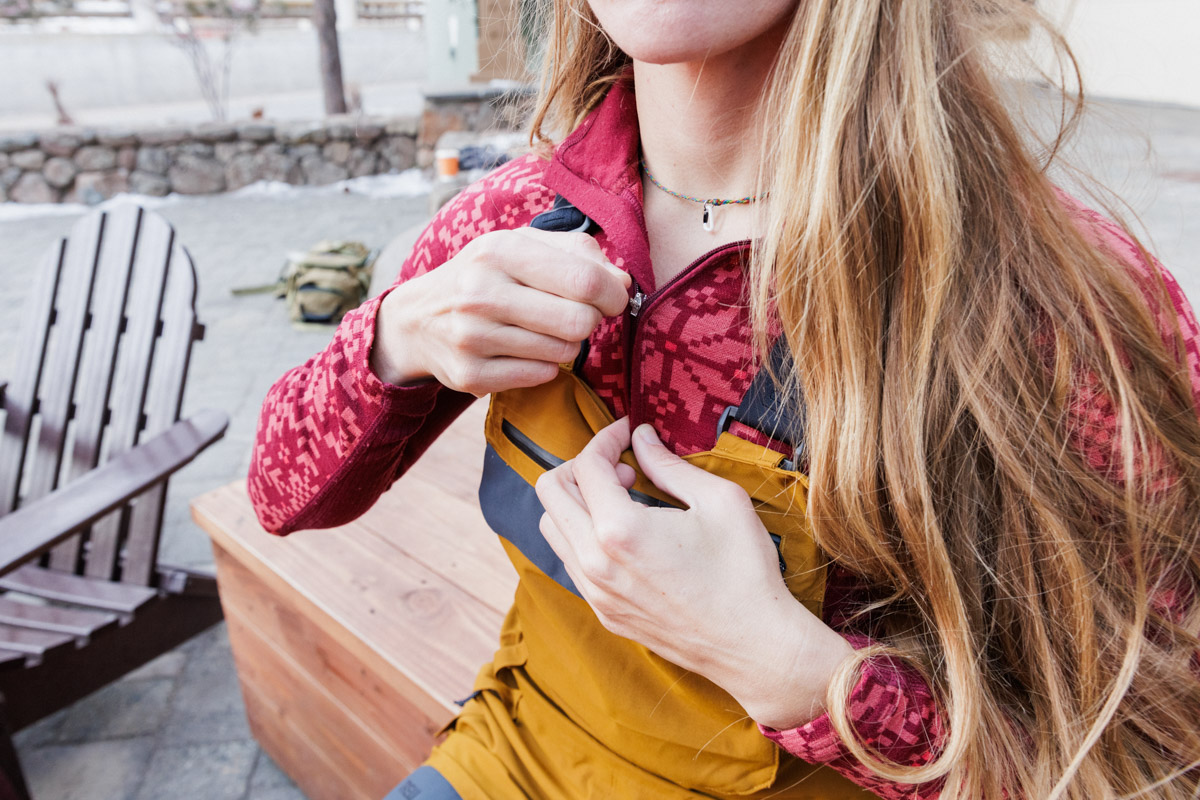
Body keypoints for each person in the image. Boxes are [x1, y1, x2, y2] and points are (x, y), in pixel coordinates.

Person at [248, 0, 1200, 797]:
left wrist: (793, 673)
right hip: (517, 765)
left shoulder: (1051, 304)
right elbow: (279, 496)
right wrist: (396, 337)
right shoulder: (511, 216)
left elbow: (1151, 759)